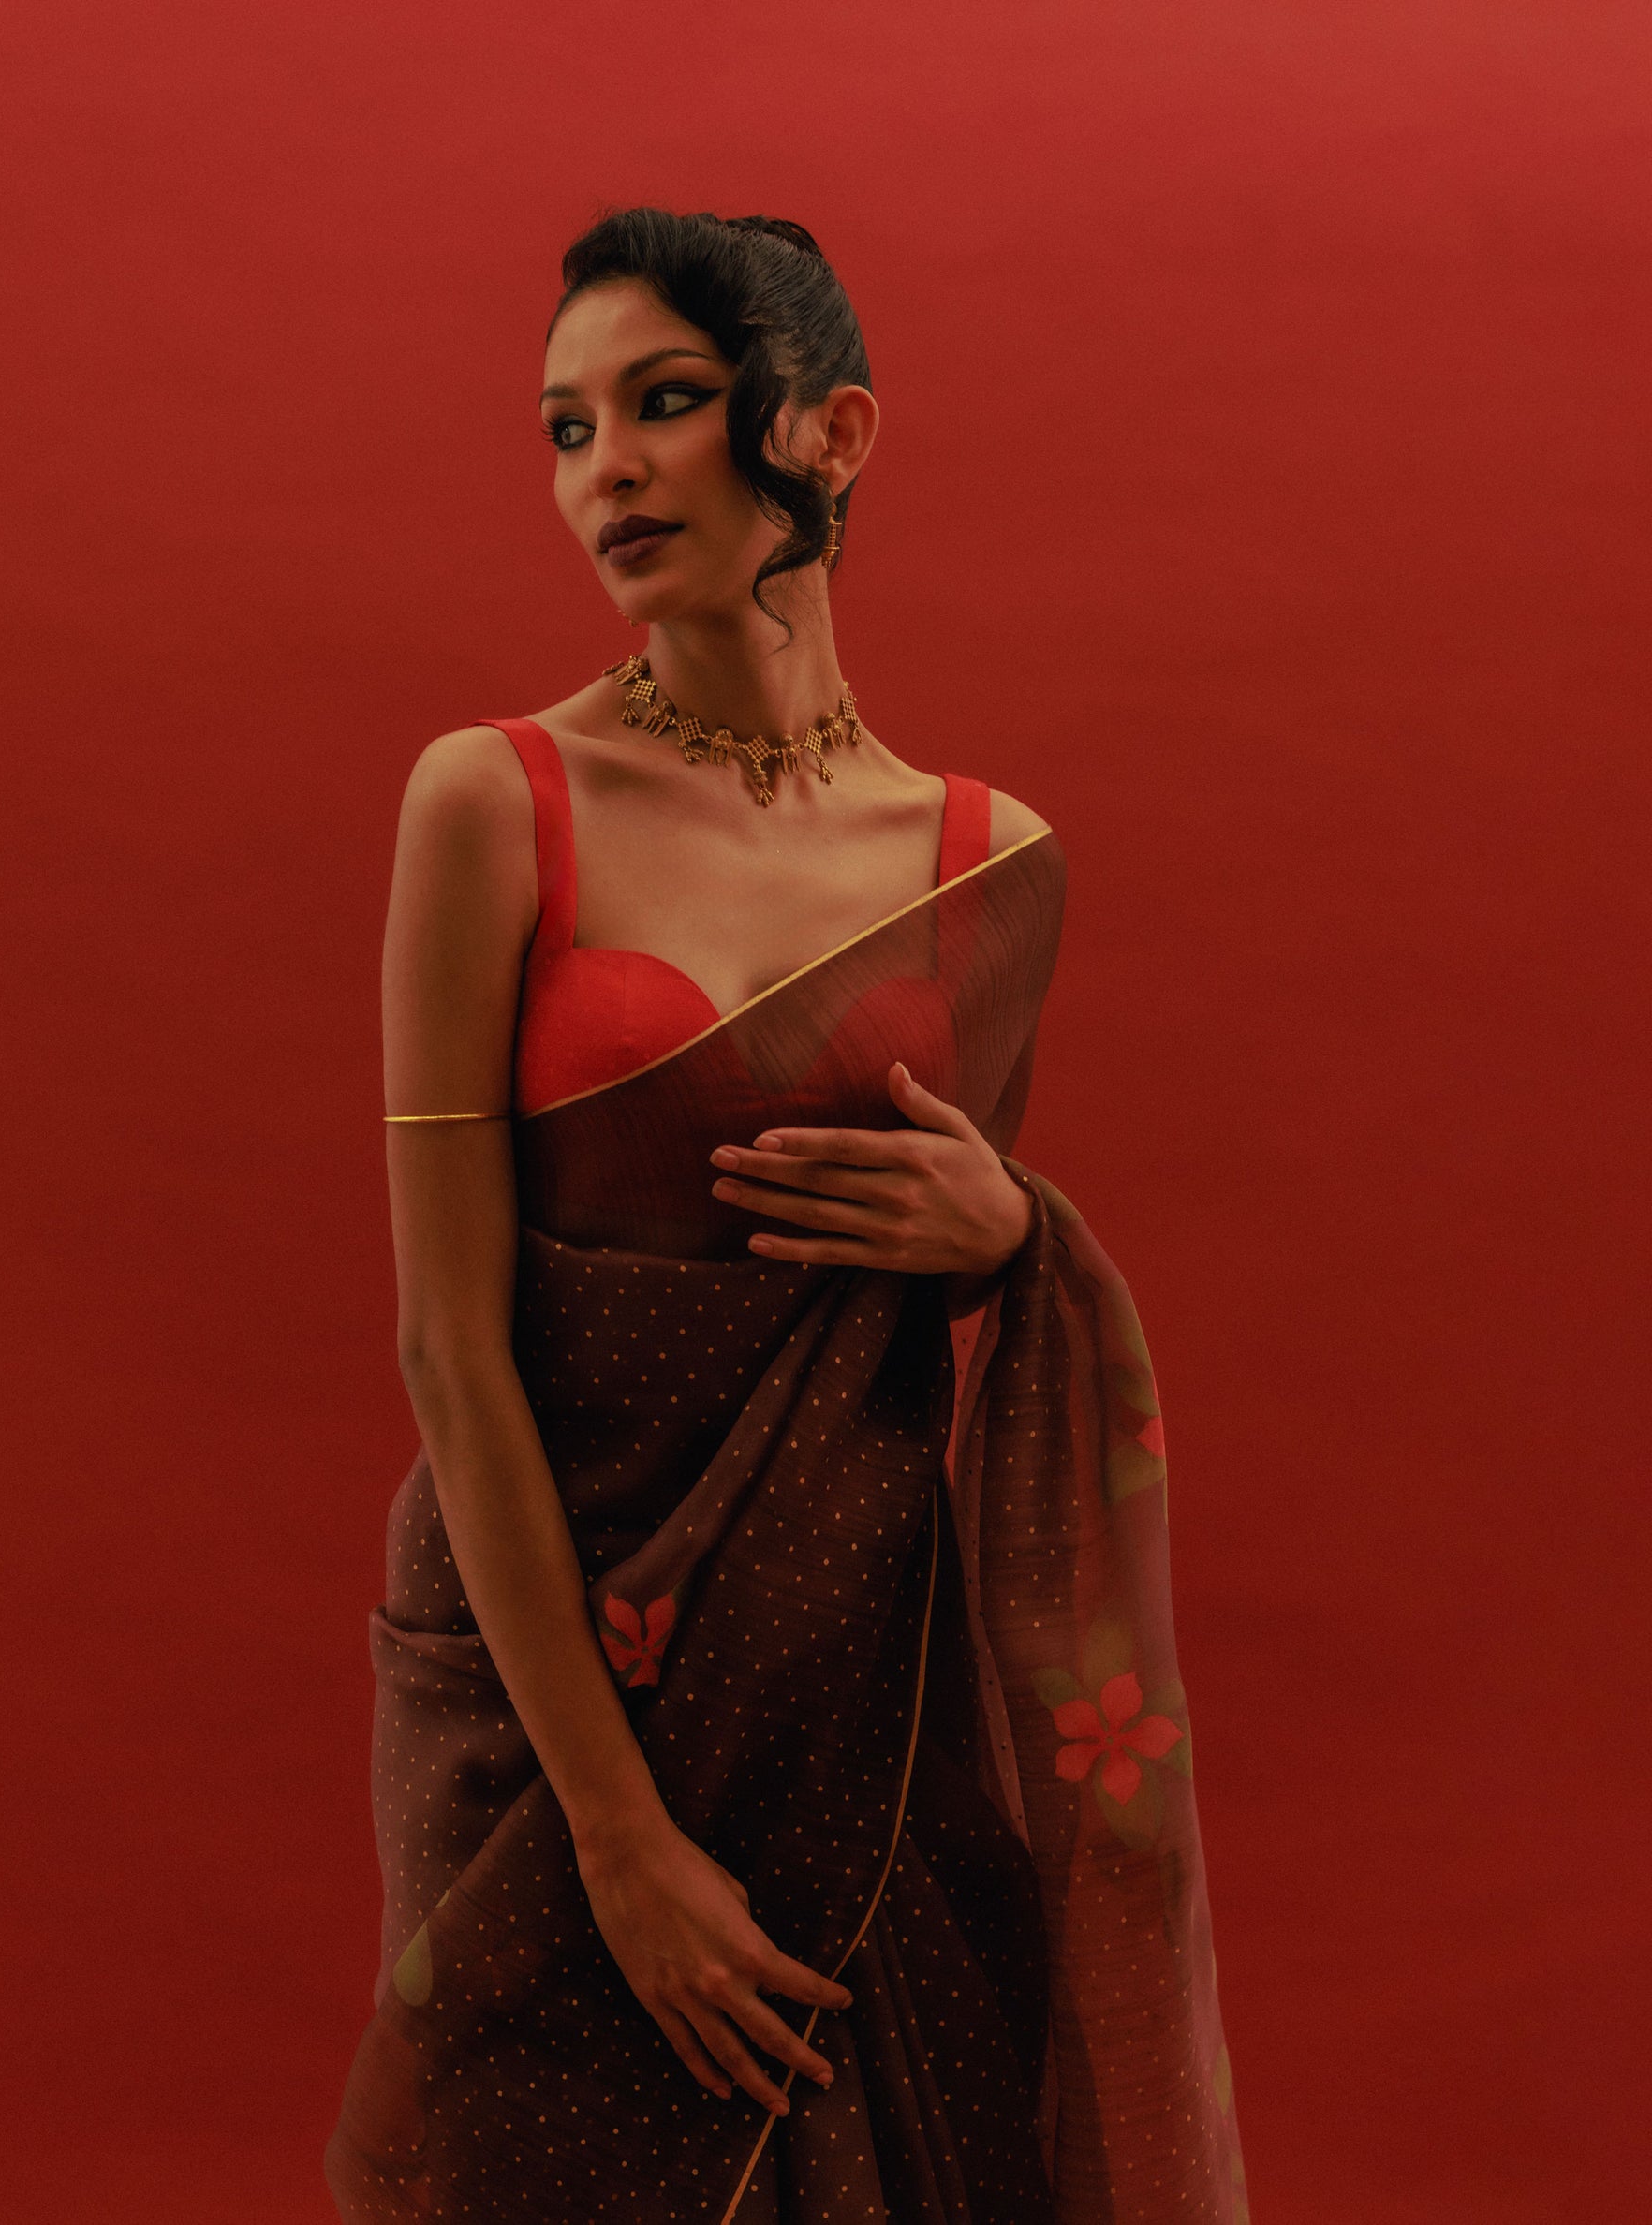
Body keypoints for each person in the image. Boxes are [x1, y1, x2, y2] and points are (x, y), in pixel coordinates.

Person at [326, 207, 1247, 2223]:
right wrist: (619, 1841)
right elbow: (444, 1346)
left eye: (663, 404)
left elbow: (915, 1319)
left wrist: (1015, 1235)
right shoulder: (491, 799)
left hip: (853, 1671)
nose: (608, 472)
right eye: (568, 427)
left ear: (827, 433)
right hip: (538, 1670)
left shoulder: (985, 861)